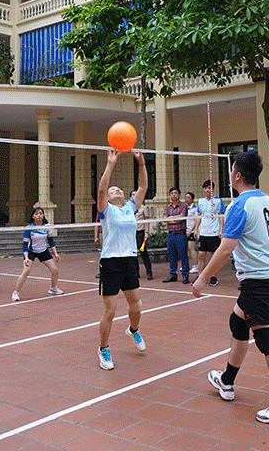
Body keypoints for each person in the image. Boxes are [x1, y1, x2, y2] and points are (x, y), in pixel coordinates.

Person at [193, 151, 269, 425]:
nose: (230, 175)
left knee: (267, 340)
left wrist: (203, 277)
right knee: (238, 322)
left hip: (257, 280)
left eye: (231, 171)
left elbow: (226, 247)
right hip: (268, 276)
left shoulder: (238, 206)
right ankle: (227, 381)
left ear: (237, 175)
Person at [96, 147, 148, 370]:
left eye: (119, 188)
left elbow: (143, 187)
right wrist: (111, 163)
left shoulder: (129, 207)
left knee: (136, 305)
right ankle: (103, 349)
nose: (115, 189)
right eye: (112, 189)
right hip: (110, 262)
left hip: (129, 260)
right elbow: (101, 190)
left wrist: (142, 163)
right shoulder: (105, 210)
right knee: (110, 311)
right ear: (108, 197)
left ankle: (133, 330)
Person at [12, 207, 61, 300]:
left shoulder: (47, 226)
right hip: (31, 251)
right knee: (26, 271)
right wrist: (26, 258)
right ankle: (16, 292)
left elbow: (51, 241)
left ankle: (53, 288)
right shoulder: (29, 227)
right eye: (36, 214)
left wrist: (56, 254)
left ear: (43, 215)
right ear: (33, 216)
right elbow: (25, 244)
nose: (39, 215)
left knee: (55, 270)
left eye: (41, 213)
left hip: (43, 250)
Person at [195, 179, 225, 286]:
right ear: (204, 189)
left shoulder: (218, 201)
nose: (209, 190)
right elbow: (198, 216)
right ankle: (200, 277)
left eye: (211, 188)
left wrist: (221, 231)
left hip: (214, 232)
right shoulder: (200, 201)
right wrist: (195, 229)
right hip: (203, 233)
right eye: (207, 188)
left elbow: (221, 217)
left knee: (213, 256)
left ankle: (213, 277)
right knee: (201, 255)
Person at [163, 186, 189, 283]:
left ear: (179, 195)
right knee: (172, 255)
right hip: (170, 234)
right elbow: (164, 219)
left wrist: (171, 218)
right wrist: (175, 219)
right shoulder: (167, 207)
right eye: (172, 193)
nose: (174, 194)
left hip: (180, 234)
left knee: (183, 255)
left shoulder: (183, 206)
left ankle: (185, 275)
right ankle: (173, 274)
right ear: (170, 195)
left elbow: (181, 218)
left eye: (175, 193)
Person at [134, 192, 153, 280]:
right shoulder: (128, 208)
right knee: (133, 254)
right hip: (131, 234)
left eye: (136, 194)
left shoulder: (143, 207)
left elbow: (147, 221)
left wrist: (147, 232)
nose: (135, 196)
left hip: (140, 233)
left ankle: (149, 272)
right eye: (133, 195)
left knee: (143, 253)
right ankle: (136, 272)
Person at [185, 192, 200, 274]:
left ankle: (195, 266)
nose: (186, 199)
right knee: (186, 248)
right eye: (186, 197)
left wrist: (191, 230)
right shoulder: (185, 208)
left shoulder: (194, 208)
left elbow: (196, 220)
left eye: (188, 197)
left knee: (192, 248)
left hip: (191, 231)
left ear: (192, 199)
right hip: (185, 230)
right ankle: (186, 265)